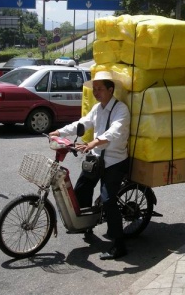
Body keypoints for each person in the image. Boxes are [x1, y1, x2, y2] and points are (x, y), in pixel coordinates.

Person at [49, 71, 131, 260]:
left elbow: (116, 131)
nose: (96, 92)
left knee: (108, 200)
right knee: (80, 190)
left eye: (100, 89)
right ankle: (86, 223)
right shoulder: (97, 108)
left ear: (111, 90)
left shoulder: (121, 110)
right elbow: (82, 123)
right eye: (94, 89)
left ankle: (119, 245)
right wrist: (59, 131)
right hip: (96, 159)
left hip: (114, 161)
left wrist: (95, 142)